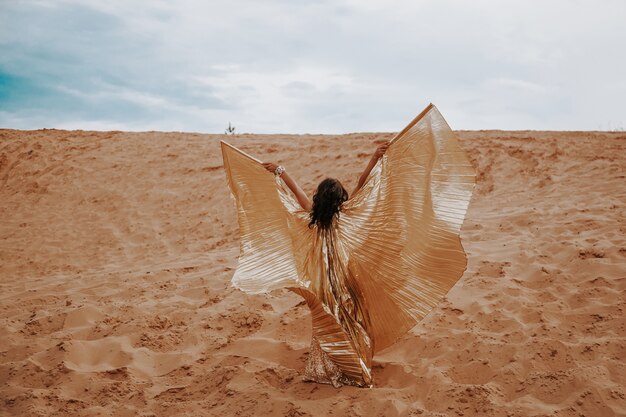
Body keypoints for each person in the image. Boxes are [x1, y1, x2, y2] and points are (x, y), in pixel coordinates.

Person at [220, 103, 475, 388]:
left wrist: (279, 171)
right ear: (340, 198)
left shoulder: (313, 218)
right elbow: (364, 185)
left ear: (320, 199)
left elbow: (298, 192)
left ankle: (327, 367)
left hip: (323, 282)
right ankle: (357, 366)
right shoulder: (347, 214)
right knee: (352, 319)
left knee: (328, 320)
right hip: (346, 277)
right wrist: (375, 159)